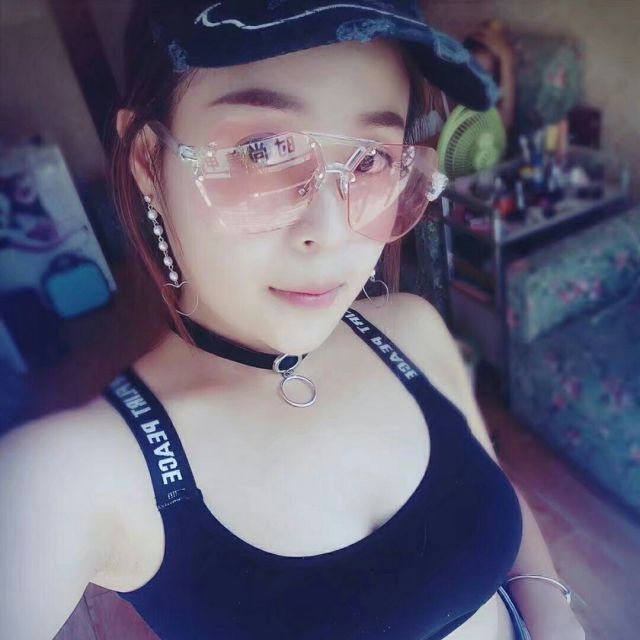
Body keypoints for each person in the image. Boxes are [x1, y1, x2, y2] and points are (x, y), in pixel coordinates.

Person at [0, 2, 585, 639]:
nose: (330, 231)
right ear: (148, 163)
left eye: (371, 158)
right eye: (264, 149)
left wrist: (556, 618)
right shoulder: (69, 474)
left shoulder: (411, 330)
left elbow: (494, 488)